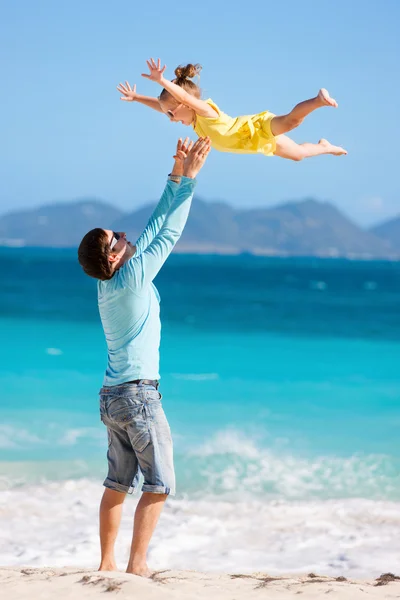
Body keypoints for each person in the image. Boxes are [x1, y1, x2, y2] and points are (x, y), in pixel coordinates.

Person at [77, 136, 211, 577]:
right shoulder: (131, 276)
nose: (122, 234)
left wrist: (178, 173)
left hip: (111, 398)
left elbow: (151, 229)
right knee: (161, 484)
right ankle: (137, 565)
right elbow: (167, 232)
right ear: (113, 259)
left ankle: (106, 563)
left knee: (118, 484)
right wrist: (188, 180)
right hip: (136, 396)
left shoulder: (105, 282)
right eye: (116, 238)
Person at [117, 58, 347, 161]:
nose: (169, 118)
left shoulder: (205, 111)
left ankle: (318, 101)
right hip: (253, 144)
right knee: (298, 155)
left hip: (254, 130)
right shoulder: (194, 121)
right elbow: (161, 105)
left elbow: (183, 95)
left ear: (185, 105)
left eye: (171, 113)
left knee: (290, 122)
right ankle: (325, 147)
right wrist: (136, 97)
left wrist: (162, 82)